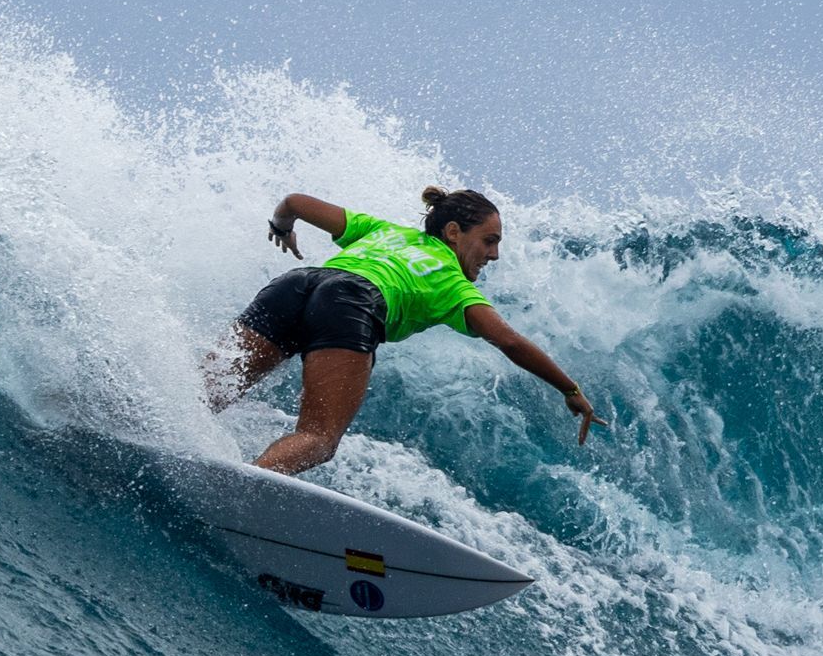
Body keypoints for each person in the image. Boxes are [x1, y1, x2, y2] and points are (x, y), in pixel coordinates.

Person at [209, 185, 604, 475]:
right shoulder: (451, 281)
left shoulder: (384, 231)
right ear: (453, 233)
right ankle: (245, 486)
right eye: (489, 241)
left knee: (207, 394)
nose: (494, 254)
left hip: (293, 285)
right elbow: (510, 341)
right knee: (318, 437)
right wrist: (570, 390)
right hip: (350, 303)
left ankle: (153, 424)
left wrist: (281, 227)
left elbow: (294, 202)